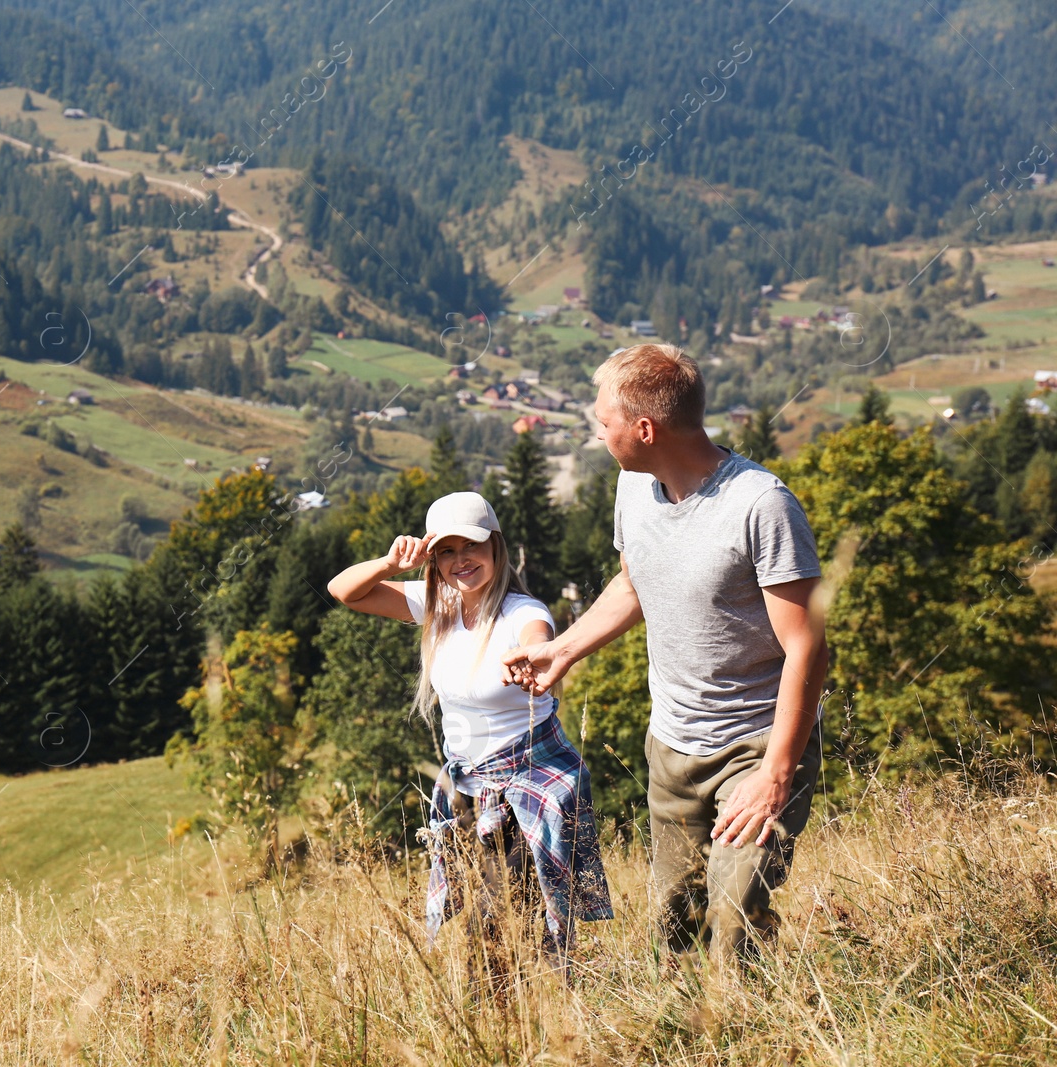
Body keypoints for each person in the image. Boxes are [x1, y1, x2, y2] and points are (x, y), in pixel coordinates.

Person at [504, 343, 827, 962]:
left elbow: (807, 648)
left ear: (645, 429)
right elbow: (634, 581)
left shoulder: (761, 505)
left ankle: (760, 1042)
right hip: (672, 746)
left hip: (755, 746)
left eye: (605, 422)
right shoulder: (634, 488)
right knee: (672, 934)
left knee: (732, 926)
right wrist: (564, 650)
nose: (600, 436)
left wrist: (776, 773)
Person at [327, 491, 612, 956]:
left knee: (499, 928)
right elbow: (344, 590)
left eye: (471, 547)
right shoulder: (436, 606)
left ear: (495, 546)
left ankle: (544, 1008)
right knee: (498, 927)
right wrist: (390, 562)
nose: (461, 561)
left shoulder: (522, 611)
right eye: (446, 551)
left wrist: (531, 660)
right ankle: (535, 1005)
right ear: (432, 558)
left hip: (527, 785)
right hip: (468, 791)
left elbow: (536, 637)